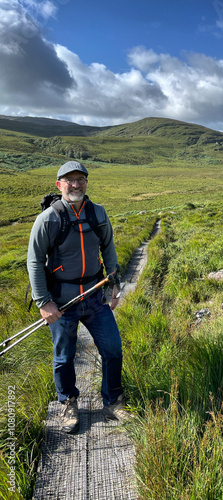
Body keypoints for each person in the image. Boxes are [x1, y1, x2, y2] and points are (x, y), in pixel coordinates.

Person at [27, 161, 124, 434]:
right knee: (63, 357)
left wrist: (113, 284)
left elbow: (108, 246)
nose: (76, 184)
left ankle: (113, 401)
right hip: (61, 301)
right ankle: (68, 402)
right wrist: (43, 302)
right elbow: (34, 262)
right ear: (59, 185)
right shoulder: (48, 219)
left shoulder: (98, 213)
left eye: (81, 179)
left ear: (86, 183)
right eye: (69, 180)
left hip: (95, 296)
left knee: (113, 349)